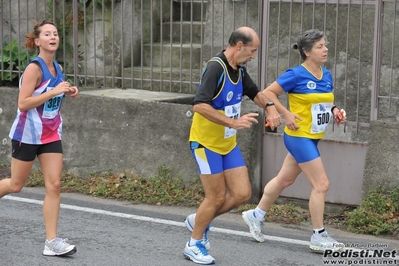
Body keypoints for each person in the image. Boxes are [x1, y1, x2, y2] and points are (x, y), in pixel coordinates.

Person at [183, 26, 282, 265]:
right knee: (215, 197)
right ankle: (193, 243)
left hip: (227, 144)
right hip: (205, 144)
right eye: (252, 50)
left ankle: (199, 219)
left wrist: (269, 107)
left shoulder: (239, 70)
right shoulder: (216, 67)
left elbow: (255, 93)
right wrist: (232, 122)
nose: (253, 55)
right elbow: (199, 105)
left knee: (242, 194)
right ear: (239, 46)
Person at [242, 29, 346, 253]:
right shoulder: (296, 74)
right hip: (298, 137)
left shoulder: (325, 75)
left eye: (325, 45)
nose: (325, 49)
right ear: (307, 52)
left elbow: (326, 102)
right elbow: (268, 93)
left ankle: (255, 214)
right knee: (322, 184)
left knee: (284, 180)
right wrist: (286, 114)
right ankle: (318, 235)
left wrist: (336, 111)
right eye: (319, 46)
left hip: (313, 137)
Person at [0, 20, 78, 256]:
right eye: (47, 34)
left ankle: (52, 241)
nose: (53, 37)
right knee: (16, 185)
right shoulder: (34, 68)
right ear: (37, 41)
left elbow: (53, 93)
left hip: (51, 134)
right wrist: (54, 92)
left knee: (54, 185)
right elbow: (23, 103)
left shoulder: (57, 67)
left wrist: (69, 90)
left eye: (55, 33)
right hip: (28, 135)